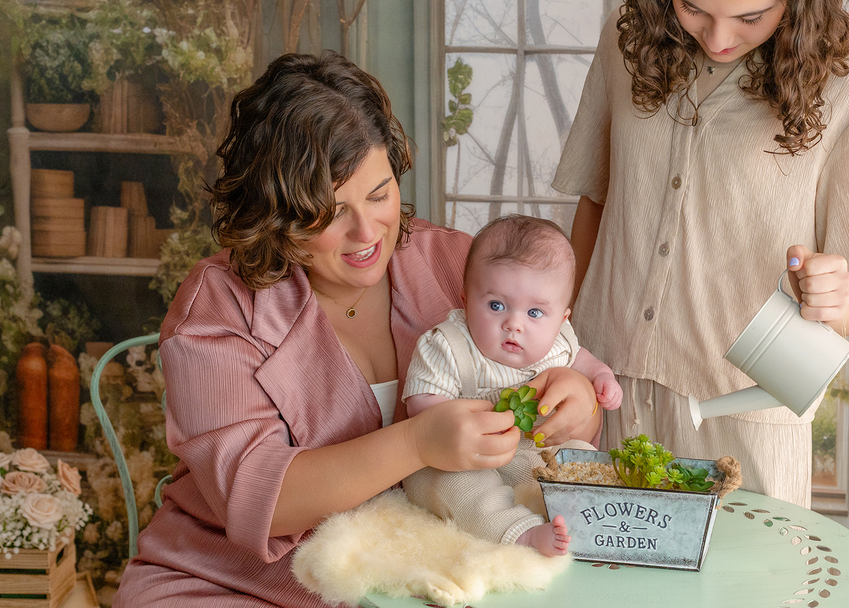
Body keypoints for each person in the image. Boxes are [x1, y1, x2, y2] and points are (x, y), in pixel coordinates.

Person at [114, 52, 599, 607]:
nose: (367, 231)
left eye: (379, 193)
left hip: (418, 583)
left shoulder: (459, 268)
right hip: (231, 583)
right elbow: (259, 500)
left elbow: (561, 401)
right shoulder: (219, 308)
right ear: (277, 211)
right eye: (330, 211)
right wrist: (419, 442)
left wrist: (578, 398)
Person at [552, 0, 849, 508]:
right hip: (605, 386)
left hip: (746, 411)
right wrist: (558, 344)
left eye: (750, 17)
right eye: (693, 6)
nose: (718, 37)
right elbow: (596, 200)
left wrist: (834, 293)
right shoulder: (626, 41)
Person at [400, 214, 623, 557]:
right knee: (465, 487)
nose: (514, 324)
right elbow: (420, 403)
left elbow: (581, 359)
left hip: (528, 451)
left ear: (562, 318)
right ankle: (519, 533)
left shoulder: (558, 341)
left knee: (577, 454)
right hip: (456, 459)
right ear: (465, 299)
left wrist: (602, 376)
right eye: (496, 305)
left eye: (535, 313)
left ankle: (592, 515)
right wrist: (456, 424)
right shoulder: (447, 344)